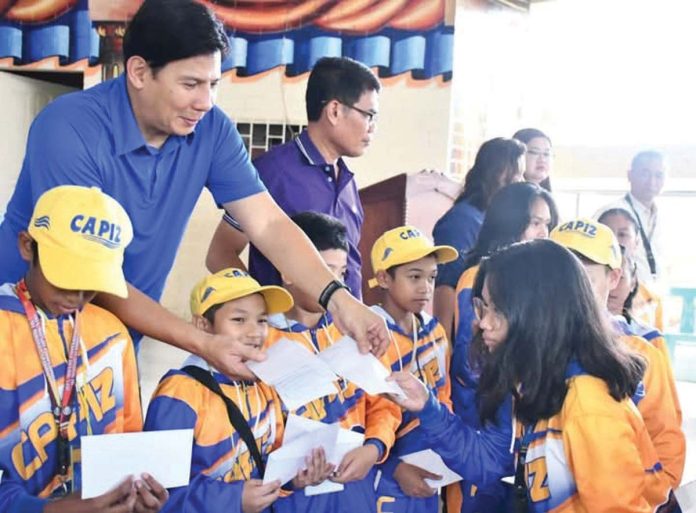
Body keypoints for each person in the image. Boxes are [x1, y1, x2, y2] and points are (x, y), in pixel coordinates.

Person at [0, 0, 389, 381]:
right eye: (190, 84)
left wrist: (339, 300)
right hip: (22, 335)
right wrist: (202, 342)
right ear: (138, 71)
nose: (205, 102)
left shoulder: (211, 131)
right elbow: (88, 273)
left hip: (112, 340)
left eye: (213, 84)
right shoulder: (70, 128)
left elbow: (268, 224)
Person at [389, 239, 672, 513]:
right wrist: (428, 407)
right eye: (483, 307)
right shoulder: (532, 386)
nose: (483, 323)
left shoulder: (589, 405)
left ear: (541, 313)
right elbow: (488, 461)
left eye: (497, 309)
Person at [0, 185, 167, 513]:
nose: (76, 297)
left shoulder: (113, 335)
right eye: (65, 279)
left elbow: (129, 442)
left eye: (91, 285)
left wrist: (139, 494)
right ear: (26, 246)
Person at [144, 268, 333, 512]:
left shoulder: (264, 385)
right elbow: (157, 493)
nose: (255, 332)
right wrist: (233, 499)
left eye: (262, 320)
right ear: (202, 325)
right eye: (239, 320)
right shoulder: (180, 392)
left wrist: (293, 478)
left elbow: (267, 464)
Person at [206, 56, 380, 300]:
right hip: (284, 335)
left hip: (343, 334)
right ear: (335, 111)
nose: (373, 127)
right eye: (369, 115)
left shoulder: (348, 182)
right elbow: (220, 254)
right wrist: (262, 309)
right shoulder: (273, 171)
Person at [266, 212, 401, 513]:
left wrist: (374, 447)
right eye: (326, 272)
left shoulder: (354, 331)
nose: (336, 284)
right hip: (291, 497)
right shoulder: (261, 340)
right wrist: (289, 477)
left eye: (340, 274)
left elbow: (384, 402)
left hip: (354, 489)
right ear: (289, 272)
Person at [550, 218, 684, 493]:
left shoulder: (642, 353)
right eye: (558, 278)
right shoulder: (522, 344)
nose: (569, 291)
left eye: (584, 279)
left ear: (614, 277)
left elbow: (666, 444)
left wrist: (649, 500)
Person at [450, 182, 558, 513]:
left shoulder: (531, 280)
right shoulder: (479, 277)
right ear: (511, 221)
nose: (545, 232)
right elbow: (476, 361)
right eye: (536, 222)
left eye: (548, 224)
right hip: (483, 427)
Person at [365, 226, 456, 513]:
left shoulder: (434, 331)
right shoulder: (369, 337)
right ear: (383, 278)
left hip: (431, 463)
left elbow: (444, 395)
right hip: (386, 474)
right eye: (414, 277)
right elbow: (362, 417)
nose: (425, 288)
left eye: (431, 277)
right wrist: (393, 467)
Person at [432, 137, 526, 341]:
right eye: (514, 173)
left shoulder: (492, 217)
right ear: (493, 171)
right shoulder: (462, 219)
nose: (519, 181)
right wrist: (445, 346)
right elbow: (445, 286)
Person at [595, 150, 667, 284]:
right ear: (630, 175)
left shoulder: (661, 215)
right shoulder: (611, 213)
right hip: (621, 299)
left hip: (653, 298)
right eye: (645, 174)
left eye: (659, 175)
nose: (652, 181)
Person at [598, 207, 664, 331]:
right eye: (608, 234)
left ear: (637, 242)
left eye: (622, 234)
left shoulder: (651, 302)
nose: (615, 241)